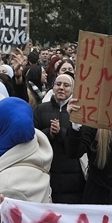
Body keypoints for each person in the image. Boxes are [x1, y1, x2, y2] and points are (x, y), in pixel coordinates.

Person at [32, 73, 84, 204]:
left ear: (73, 90)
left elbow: (80, 142)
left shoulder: (78, 111)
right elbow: (34, 136)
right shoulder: (41, 109)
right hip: (48, 170)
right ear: (53, 87)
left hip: (72, 175)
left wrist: (61, 132)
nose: (61, 88)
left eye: (66, 85)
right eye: (58, 84)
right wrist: (49, 132)